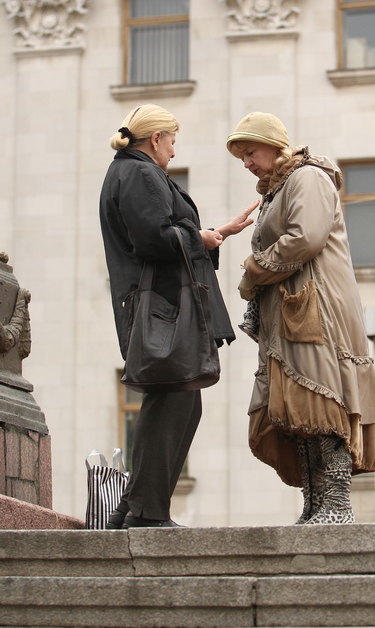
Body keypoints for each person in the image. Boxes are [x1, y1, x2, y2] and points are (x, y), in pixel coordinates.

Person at [227, 112, 375, 524]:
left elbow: (306, 237)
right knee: (298, 409)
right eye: (242, 157)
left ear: (273, 145)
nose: (246, 163)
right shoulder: (278, 189)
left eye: (250, 152)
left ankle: (336, 504)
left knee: (323, 401)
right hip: (291, 312)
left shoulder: (307, 177)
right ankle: (316, 501)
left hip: (318, 311)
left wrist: (253, 269)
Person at [100, 104, 258, 528]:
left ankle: (134, 508)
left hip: (162, 303)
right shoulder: (140, 173)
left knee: (181, 403)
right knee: (173, 402)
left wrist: (216, 234)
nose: (173, 149)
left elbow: (162, 234)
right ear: (156, 139)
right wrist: (201, 238)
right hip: (164, 306)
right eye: (172, 141)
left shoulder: (130, 172)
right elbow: (154, 238)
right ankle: (145, 512)